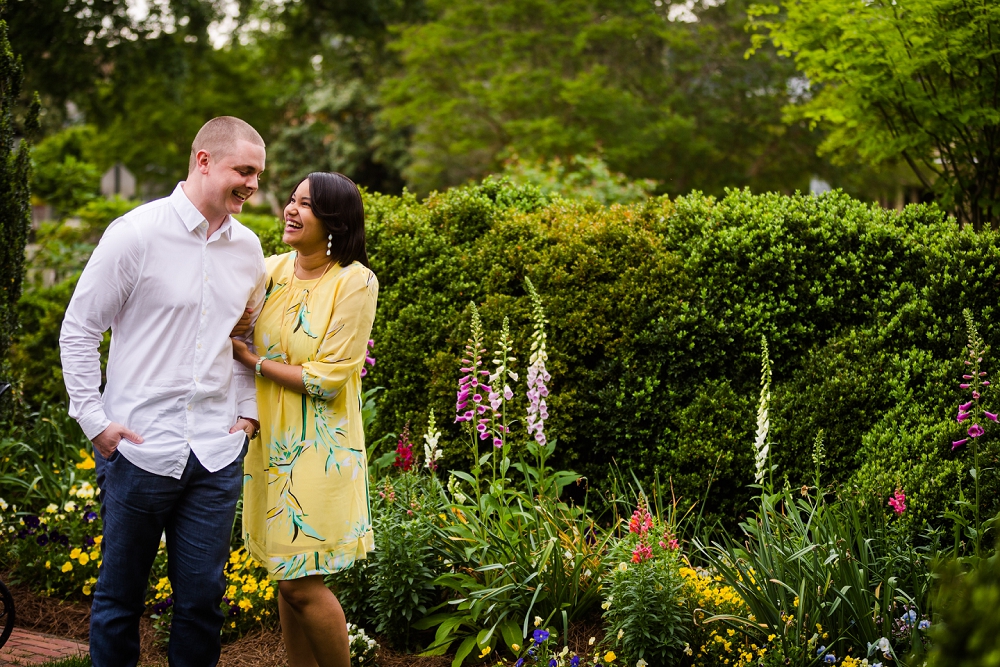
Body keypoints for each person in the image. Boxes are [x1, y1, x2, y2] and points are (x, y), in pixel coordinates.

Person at [60, 116, 268, 667]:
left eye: (259, 175)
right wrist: (95, 422)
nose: (253, 185)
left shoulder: (249, 249)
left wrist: (246, 415)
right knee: (119, 598)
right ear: (203, 160)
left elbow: (241, 337)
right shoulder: (135, 234)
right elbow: (80, 328)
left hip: (216, 451)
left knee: (203, 602)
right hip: (139, 447)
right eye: (243, 171)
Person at [230, 172, 378, 667]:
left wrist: (253, 363)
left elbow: (328, 377)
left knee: (300, 581)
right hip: (270, 440)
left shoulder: (354, 280)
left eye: (306, 205)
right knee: (285, 575)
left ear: (334, 220)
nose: (291, 210)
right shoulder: (270, 271)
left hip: (320, 444)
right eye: (291, 201)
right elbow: (233, 329)